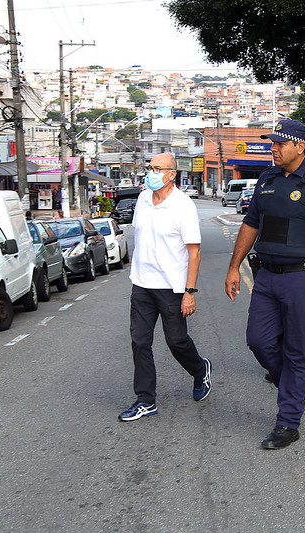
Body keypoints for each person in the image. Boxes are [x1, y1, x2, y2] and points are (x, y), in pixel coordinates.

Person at [224, 119, 305, 450]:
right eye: (273, 142)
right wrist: (234, 266)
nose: (273, 148)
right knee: (259, 340)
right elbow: (252, 223)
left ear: (300, 146)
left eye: (280, 143)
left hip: (304, 278)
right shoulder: (267, 179)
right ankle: (292, 389)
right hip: (266, 276)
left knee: (298, 350)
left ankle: (287, 421)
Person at [119, 153, 212, 422]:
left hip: (172, 287)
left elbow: (194, 253)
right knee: (140, 342)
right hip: (142, 284)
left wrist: (189, 293)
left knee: (177, 341)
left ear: (172, 174)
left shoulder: (183, 206)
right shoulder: (143, 200)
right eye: (150, 167)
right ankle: (145, 400)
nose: (151, 172)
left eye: (158, 169)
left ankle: (199, 369)